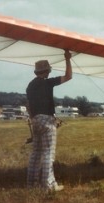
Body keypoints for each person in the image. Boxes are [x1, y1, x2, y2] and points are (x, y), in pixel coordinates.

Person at [26, 50, 72, 191]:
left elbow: (28, 106)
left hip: (35, 120)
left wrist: (35, 118)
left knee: (36, 153)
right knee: (48, 153)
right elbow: (68, 76)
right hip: (46, 121)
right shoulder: (47, 83)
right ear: (46, 71)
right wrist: (67, 59)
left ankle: (31, 184)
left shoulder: (30, 86)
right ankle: (48, 185)